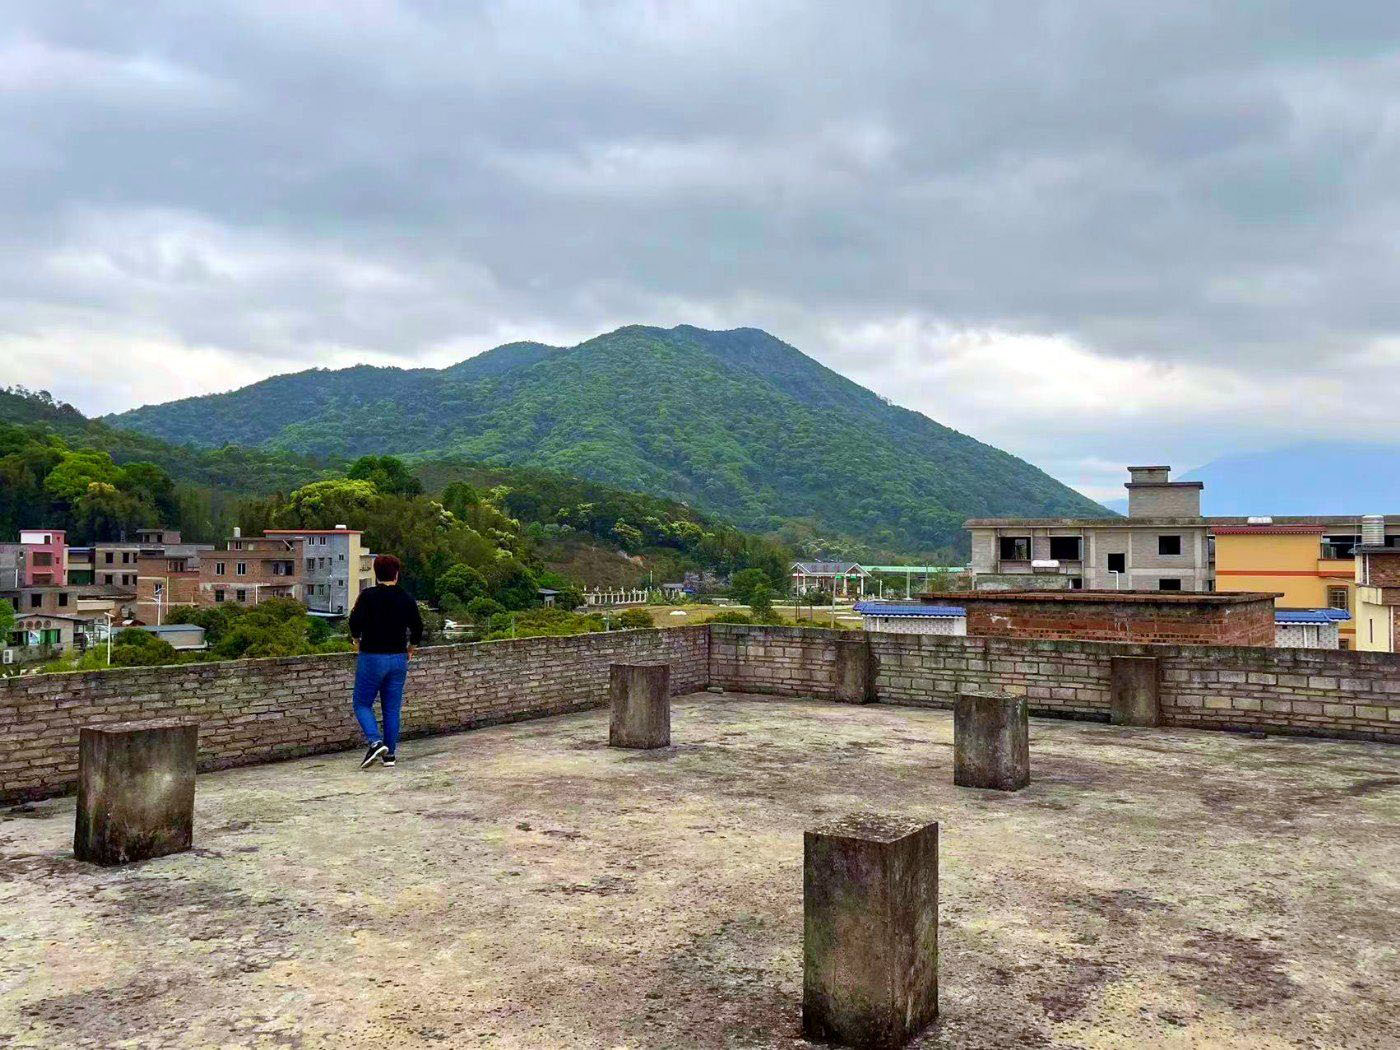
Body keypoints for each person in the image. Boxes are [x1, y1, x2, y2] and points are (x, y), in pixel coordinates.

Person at [348, 554, 424, 768]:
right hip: (398, 658)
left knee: (362, 703)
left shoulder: (368, 596)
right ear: (397, 574)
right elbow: (417, 626)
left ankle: (375, 741)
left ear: (375, 573)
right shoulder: (406, 598)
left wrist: (356, 639)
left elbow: (355, 622)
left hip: (372, 656)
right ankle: (389, 755)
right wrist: (412, 647)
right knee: (391, 708)